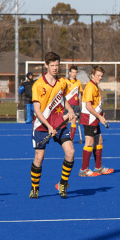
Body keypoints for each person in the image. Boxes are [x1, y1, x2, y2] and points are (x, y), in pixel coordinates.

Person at [30, 52, 78, 199]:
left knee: (70, 152)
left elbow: (64, 99)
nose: (55, 68)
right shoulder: (38, 85)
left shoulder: (62, 83)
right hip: (41, 125)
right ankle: (35, 188)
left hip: (59, 124)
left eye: (57, 65)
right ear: (46, 65)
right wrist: (48, 126)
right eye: (52, 65)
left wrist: (70, 110)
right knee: (39, 157)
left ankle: (63, 183)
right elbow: (37, 110)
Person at [79, 65, 113, 176]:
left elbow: (94, 103)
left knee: (99, 140)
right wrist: (99, 117)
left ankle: (98, 167)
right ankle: (84, 169)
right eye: (98, 75)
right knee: (89, 142)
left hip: (94, 118)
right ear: (92, 75)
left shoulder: (95, 86)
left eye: (101, 76)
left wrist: (100, 113)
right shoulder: (90, 87)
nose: (100, 77)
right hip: (89, 119)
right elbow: (88, 106)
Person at [65, 66, 83, 141]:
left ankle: (71, 139)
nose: (74, 74)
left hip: (75, 105)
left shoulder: (78, 82)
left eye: (75, 72)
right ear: (69, 73)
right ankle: (64, 137)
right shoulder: (65, 82)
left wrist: (80, 105)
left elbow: (80, 94)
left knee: (73, 120)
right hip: (67, 105)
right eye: (72, 72)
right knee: (64, 121)